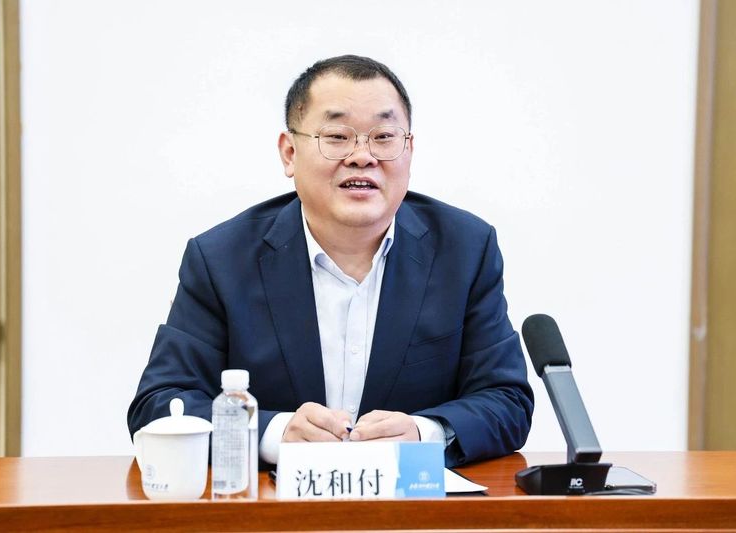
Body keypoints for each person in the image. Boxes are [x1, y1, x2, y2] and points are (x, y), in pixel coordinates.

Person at [127, 55, 533, 468]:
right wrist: (275, 433)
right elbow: (159, 405)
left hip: (410, 504)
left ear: (409, 150)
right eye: (337, 136)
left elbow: (507, 401)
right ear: (289, 153)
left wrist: (423, 434)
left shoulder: (464, 250)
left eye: (384, 136)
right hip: (277, 507)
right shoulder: (221, 260)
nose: (362, 156)